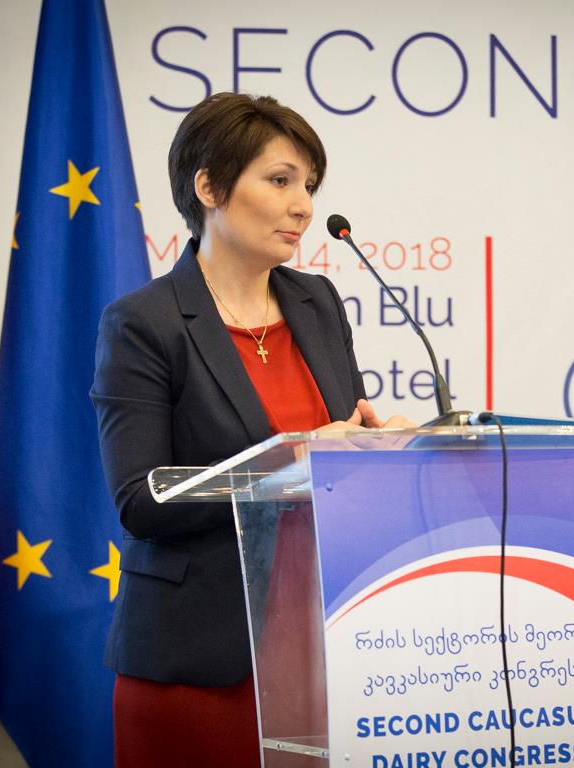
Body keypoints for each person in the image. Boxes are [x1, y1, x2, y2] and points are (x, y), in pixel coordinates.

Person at [91, 92, 410, 766]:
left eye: (309, 186)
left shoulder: (316, 302)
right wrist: (298, 457)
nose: (304, 207)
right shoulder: (143, 323)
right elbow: (141, 500)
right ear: (208, 187)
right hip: (199, 663)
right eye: (280, 180)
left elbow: (342, 447)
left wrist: (386, 449)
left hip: (325, 650)